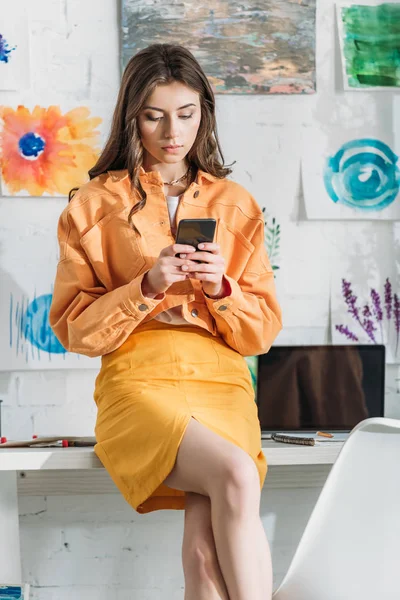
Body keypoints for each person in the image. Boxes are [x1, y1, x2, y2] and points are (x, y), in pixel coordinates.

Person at [49, 44, 282, 600]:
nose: (172, 132)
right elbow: (73, 328)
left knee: (204, 554)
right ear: (132, 115)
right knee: (234, 474)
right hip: (138, 377)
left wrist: (221, 288)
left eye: (186, 113)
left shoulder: (237, 203)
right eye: (154, 115)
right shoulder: (92, 204)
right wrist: (145, 287)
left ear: (205, 113)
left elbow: (262, 332)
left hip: (222, 379)